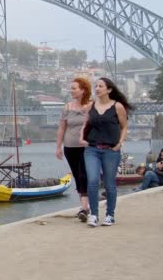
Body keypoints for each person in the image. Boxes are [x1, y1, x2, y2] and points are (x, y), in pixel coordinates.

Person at [80, 77, 133, 227]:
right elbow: (85, 125)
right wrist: (82, 138)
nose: (97, 89)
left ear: (109, 90)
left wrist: (119, 144)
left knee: (109, 184)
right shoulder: (91, 106)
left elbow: (124, 127)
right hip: (92, 149)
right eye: (95, 86)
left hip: (111, 150)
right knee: (92, 181)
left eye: (100, 86)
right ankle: (94, 215)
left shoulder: (117, 107)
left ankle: (110, 215)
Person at [56, 77, 92, 222]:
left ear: (83, 90)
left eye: (74, 88)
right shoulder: (67, 107)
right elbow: (62, 127)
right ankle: (84, 207)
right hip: (70, 147)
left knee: (84, 174)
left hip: (86, 147)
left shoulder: (91, 105)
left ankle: (84, 207)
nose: (71, 91)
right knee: (77, 175)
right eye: (70, 88)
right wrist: (58, 147)